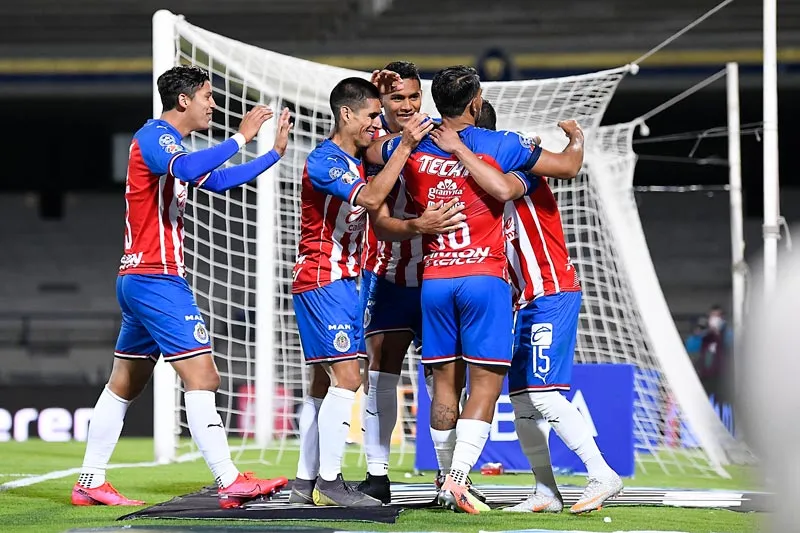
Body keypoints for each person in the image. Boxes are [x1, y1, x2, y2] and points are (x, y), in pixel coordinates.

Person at [72, 65, 293, 509]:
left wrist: (273, 154)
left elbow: (218, 180)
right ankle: (229, 480)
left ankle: (90, 482)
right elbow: (190, 168)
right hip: (156, 277)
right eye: (208, 96)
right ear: (184, 100)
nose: (214, 104)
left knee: (124, 384)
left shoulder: (171, 146)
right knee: (204, 376)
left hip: (139, 277)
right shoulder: (155, 136)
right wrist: (242, 137)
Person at [368, 65, 584, 514]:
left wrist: (392, 116)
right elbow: (567, 166)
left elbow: (368, 149)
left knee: (443, 387)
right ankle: (458, 481)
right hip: (484, 279)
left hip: (434, 280)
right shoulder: (501, 143)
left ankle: (445, 480)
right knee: (484, 387)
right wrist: (576, 139)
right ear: (476, 102)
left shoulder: (412, 142)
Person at [431, 99, 623, 514]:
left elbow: (524, 180)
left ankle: (602, 473)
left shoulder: (519, 170)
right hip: (524, 302)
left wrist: (573, 140)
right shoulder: (463, 181)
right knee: (522, 401)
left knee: (544, 395)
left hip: (551, 291)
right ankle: (546, 491)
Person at [288, 75, 459, 507]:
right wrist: (405, 146)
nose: (375, 123)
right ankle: (330, 482)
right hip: (324, 278)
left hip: (346, 281)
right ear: (346, 114)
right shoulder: (325, 160)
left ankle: (304, 482)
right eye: (369, 116)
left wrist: (383, 94)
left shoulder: (354, 153)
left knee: (322, 385)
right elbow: (369, 199)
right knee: (349, 377)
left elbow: (388, 120)